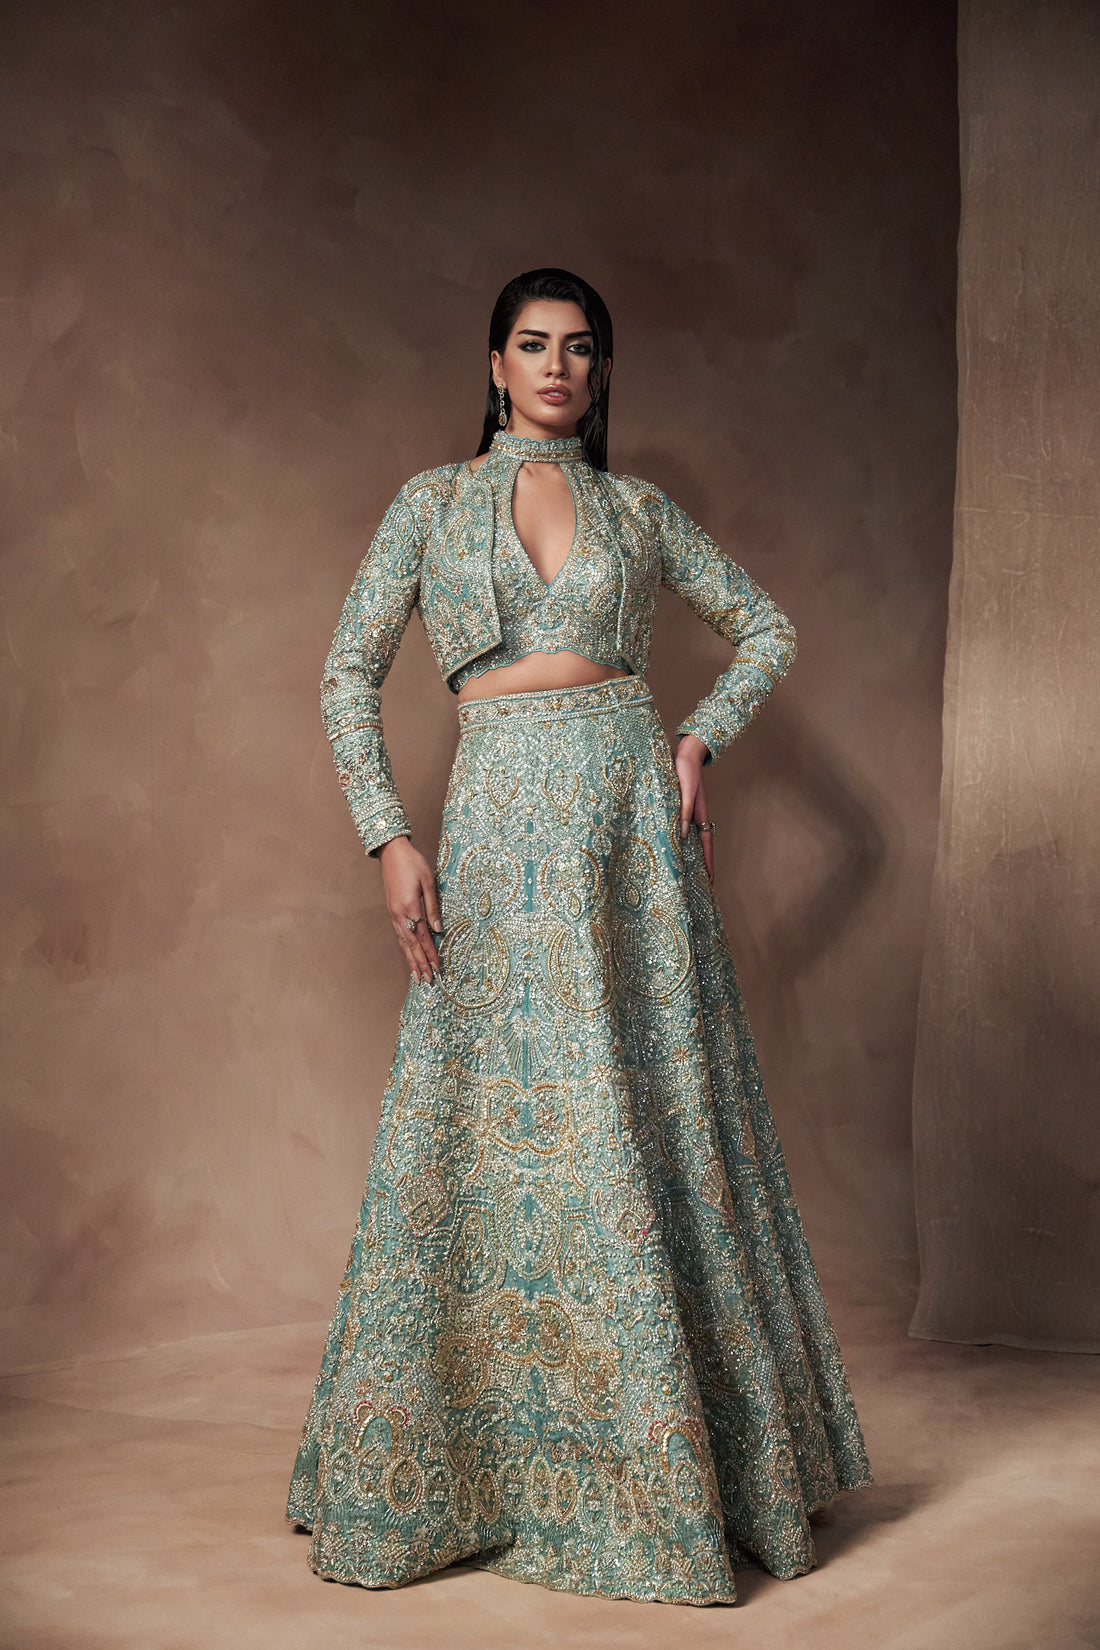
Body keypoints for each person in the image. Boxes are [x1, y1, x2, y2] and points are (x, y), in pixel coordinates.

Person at [286, 268, 872, 1606]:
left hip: (625, 820)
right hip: (494, 815)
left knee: (641, 1111)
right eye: (534, 344)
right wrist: (387, 834)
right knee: (488, 1122)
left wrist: (698, 738)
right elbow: (346, 670)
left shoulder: (639, 510)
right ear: (494, 364)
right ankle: (480, 1472)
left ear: (601, 372)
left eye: (581, 348)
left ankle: (664, 1474)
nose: (558, 365)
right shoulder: (429, 504)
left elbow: (767, 628)